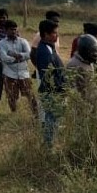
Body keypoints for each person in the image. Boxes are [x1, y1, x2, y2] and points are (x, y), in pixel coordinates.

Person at [0, 19, 39, 118]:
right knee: (11, 96)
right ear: (5, 30)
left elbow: (29, 54)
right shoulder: (1, 43)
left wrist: (16, 55)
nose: (14, 31)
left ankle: (36, 114)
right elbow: (4, 58)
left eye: (15, 29)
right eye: (11, 30)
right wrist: (20, 58)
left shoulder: (23, 41)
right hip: (9, 74)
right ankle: (14, 115)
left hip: (24, 73)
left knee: (30, 95)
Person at [35, 19, 65, 148]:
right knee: (51, 120)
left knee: (54, 119)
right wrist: (58, 88)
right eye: (54, 33)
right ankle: (48, 147)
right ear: (45, 34)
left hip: (55, 91)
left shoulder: (50, 48)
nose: (56, 35)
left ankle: (49, 144)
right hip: (51, 91)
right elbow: (48, 74)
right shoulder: (43, 51)